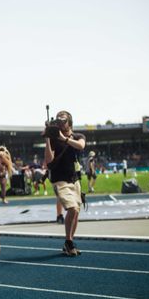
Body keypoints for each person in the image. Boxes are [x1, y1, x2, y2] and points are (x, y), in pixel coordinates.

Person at [44, 110, 86, 257]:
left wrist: (65, 138)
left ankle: (69, 242)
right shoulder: (55, 140)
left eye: (64, 120)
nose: (61, 123)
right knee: (72, 209)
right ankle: (69, 242)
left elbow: (80, 146)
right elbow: (48, 162)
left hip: (75, 180)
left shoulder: (78, 136)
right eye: (59, 120)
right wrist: (48, 139)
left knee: (76, 213)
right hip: (59, 180)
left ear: (70, 122)